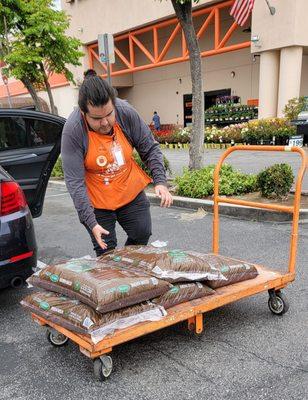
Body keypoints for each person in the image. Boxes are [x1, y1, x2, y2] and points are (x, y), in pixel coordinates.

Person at [61, 70, 173, 256]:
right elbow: (74, 182)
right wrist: (90, 222)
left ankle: (128, 267)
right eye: (97, 118)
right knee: (106, 248)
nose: (105, 122)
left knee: (141, 233)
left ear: (114, 104)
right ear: (83, 113)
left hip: (129, 189)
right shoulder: (73, 130)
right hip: (97, 201)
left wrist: (160, 181)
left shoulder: (126, 112)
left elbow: (149, 148)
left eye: (109, 114)